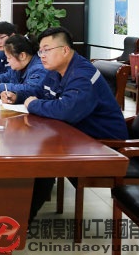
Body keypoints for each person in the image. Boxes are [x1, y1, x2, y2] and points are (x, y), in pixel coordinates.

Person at [22, 26, 128, 221]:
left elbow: (66, 111)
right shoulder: (56, 70)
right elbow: (39, 92)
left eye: (46, 50)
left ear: (65, 50)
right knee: (35, 151)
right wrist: (16, 95)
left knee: (44, 160)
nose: (42, 55)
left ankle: (24, 219)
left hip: (104, 146)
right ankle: (18, 211)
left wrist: (33, 104)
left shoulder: (82, 74)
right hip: (80, 135)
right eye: (40, 51)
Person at [0, 34, 47, 104]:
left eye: (9, 57)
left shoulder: (39, 68)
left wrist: (1, 87)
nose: (7, 60)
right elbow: (7, 76)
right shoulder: (19, 66)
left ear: (22, 56)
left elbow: (31, 89)